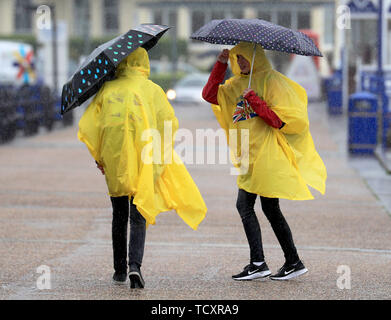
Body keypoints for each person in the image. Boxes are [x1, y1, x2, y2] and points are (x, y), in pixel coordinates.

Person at [78, 47, 207, 289]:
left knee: (119, 214)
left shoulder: (108, 89)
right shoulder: (153, 90)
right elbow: (168, 124)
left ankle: (119, 270)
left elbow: (92, 127)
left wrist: (100, 158)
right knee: (139, 214)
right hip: (145, 161)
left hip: (117, 160)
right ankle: (135, 266)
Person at [202, 42, 327, 281]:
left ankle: (260, 263)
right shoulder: (235, 85)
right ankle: (292, 261)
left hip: (268, 156)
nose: (240, 63)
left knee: (245, 205)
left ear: (256, 58)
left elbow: (283, 121)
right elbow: (209, 95)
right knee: (269, 208)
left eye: (244, 58)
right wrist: (220, 64)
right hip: (249, 157)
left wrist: (257, 103)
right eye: (237, 59)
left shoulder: (272, 81)